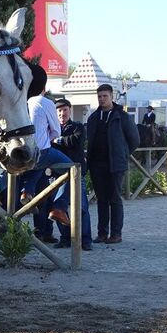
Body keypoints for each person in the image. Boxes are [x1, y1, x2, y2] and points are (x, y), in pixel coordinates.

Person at [13, 64, 71, 227]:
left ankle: (27, 191)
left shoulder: (20, 101)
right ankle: (59, 208)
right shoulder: (45, 103)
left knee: (37, 163)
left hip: (21, 152)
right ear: (43, 87)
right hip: (41, 150)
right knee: (73, 170)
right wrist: (46, 137)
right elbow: (56, 131)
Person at [86, 84, 140, 244]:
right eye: (100, 96)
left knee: (114, 198)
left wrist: (122, 153)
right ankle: (102, 233)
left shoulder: (122, 116)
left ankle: (116, 234)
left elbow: (134, 140)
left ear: (112, 96)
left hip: (115, 164)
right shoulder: (93, 118)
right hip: (97, 164)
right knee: (101, 199)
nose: (102, 99)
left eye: (105, 96)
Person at [51, 99, 92, 250]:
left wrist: (57, 140)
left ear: (70, 110)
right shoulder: (52, 128)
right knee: (58, 206)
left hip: (76, 173)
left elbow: (75, 141)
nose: (62, 113)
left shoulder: (78, 127)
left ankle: (86, 239)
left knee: (82, 207)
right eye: (59, 111)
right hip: (57, 174)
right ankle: (65, 237)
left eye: (65, 110)